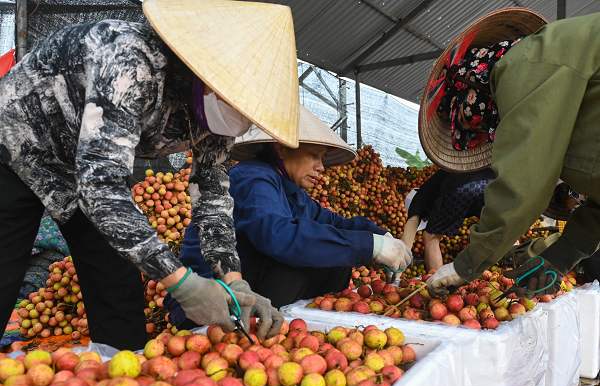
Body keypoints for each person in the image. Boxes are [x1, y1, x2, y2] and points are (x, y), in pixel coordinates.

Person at [0, 0, 298, 349]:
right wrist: (182, 283)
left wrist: (235, 283)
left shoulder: (223, 117)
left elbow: (213, 200)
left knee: (117, 282)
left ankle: (124, 374)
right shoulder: (129, 58)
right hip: (19, 145)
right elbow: (101, 183)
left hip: (90, 163)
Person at [418, 8, 600, 299]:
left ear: (471, 84)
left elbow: (527, 179)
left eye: (465, 118)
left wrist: (468, 264)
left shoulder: (523, 64)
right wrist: (561, 257)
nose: (476, 129)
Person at [168, 105, 412, 317]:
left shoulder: (291, 191)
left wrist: (380, 237)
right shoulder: (254, 178)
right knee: (307, 253)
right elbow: (279, 236)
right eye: (313, 156)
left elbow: (333, 223)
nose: (320, 167)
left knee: (334, 253)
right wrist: (370, 246)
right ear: (282, 148)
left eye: (322, 159)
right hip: (210, 298)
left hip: (252, 284)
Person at [401, 167, 496, 272]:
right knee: (497, 227)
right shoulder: (437, 184)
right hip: (492, 182)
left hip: (462, 187)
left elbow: (410, 229)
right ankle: (511, 261)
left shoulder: (418, 201)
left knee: (430, 236)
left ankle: (436, 281)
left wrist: (399, 264)